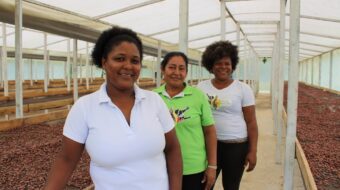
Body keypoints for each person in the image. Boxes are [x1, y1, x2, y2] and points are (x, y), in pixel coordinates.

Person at [45, 26, 182, 190]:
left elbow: (173, 149)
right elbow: (66, 160)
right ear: (104, 62)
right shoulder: (85, 107)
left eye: (135, 61)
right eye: (119, 58)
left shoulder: (154, 101)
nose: (128, 66)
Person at [197, 41, 258, 190]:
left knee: (231, 186)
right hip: (208, 145)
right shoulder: (201, 87)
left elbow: (251, 122)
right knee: (205, 185)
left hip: (236, 146)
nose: (223, 67)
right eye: (218, 63)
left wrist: (253, 150)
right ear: (211, 65)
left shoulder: (243, 89)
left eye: (227, 64)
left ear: (233, 65)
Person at [154, 51, 217, 190]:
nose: (177, 72)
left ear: (186, 72)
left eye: (181, 68)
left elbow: (210, 131)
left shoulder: (198, 96)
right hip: (161, 166)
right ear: (162, 69)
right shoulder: (153, 97)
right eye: (172, 67)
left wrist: (212, 166)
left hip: (194, 168)